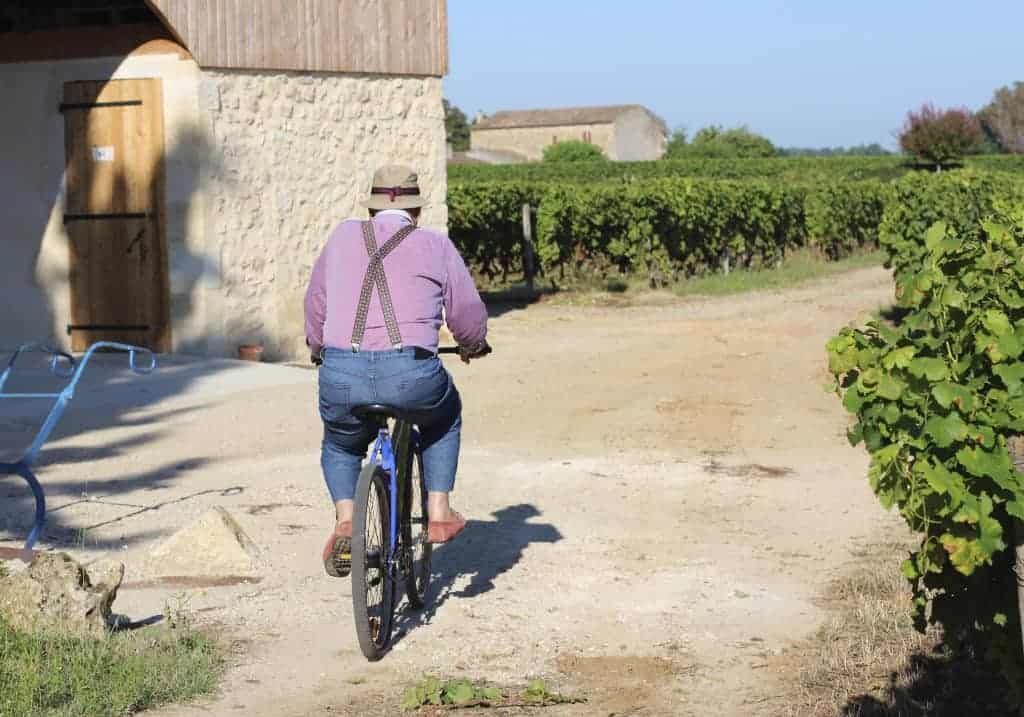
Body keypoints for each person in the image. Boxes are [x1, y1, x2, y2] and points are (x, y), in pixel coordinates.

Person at [304, 165, 490, 578]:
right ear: (416, 210)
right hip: (411, 374)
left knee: (341, 445)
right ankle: (439, 509)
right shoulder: (435, 245)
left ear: (371, 209)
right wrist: (472, 344)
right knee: (444, 417)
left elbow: (315, 303)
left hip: (341, 371)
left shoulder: (340, 237)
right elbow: (466, 311)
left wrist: (318, 349)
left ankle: (347, 521)